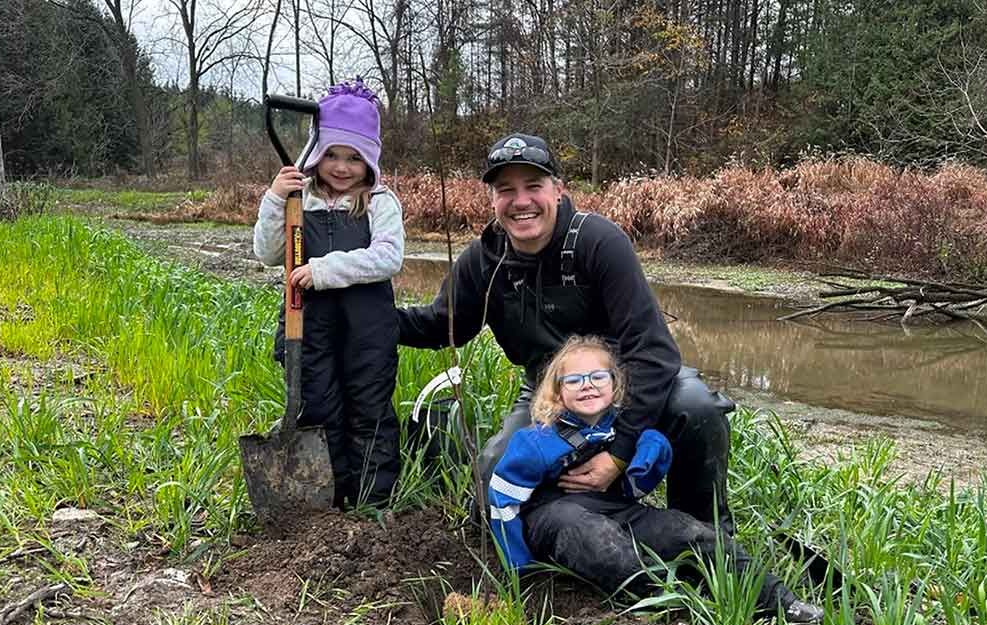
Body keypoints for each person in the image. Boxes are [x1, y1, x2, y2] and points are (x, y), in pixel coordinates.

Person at [398, 132, 735, 533]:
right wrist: (364, 316)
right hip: (548, 394)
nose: (521, 201)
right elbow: (440, 326)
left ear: (558, 190)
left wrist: (619, 455)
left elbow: (655, 353)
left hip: (625, 384)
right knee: (491, 479)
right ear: (492, 200)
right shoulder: (481, 262)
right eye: (506, 190)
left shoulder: (598, 242)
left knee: (696, 406)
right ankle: (576, 525)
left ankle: (708, 534)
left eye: (533, 186)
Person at [488, 336, 825, 625]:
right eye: (574, 380)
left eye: (597, 377)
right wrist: (520, 566)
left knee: (693, 532)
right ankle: (669, 596)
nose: (587, 384)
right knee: (596, 540)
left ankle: (779, 601)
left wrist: (653, 453)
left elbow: (634, 492)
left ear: (614, 384)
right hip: (555, 517)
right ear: (557, 394)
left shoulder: (626, 429)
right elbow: (503, 500)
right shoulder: (535, 442)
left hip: (617, 510)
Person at [253, 79, 404, 509]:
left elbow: (388, 257)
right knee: (318, 409)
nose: (341, 167)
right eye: (332, 155)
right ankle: (329, 500)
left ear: (369, 161)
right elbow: (266, 253)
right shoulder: (301, 200)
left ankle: (373, 502)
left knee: (369, 410)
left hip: (368, 332)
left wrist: (323, 270)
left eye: (354, 158)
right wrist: (274, 198)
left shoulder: (380, 201)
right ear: (316, 154)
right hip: (309, 328)